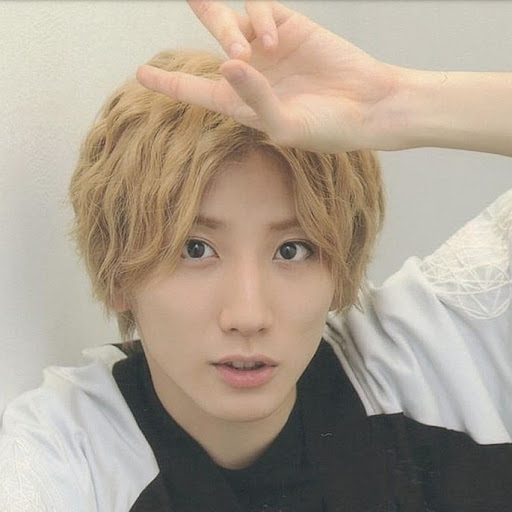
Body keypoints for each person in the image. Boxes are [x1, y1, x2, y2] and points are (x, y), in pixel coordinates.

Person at [1, 0, 511, 510]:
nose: (248, 315)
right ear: (117, 275)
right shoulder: (67, 453)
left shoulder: (433, 356)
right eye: (195, 249)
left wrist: (389, 102)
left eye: (293, 250)